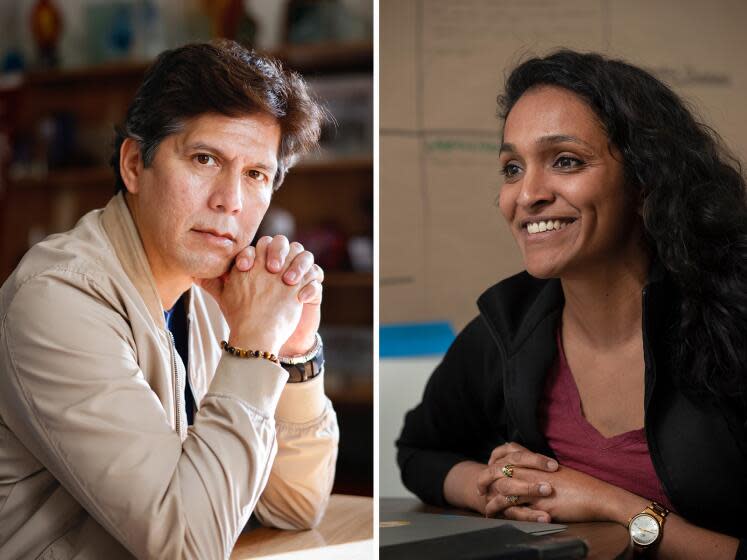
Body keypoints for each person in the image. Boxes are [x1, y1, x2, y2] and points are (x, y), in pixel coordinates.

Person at [397, 50, 747, 559]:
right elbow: (419, 452)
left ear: (646, 179)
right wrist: (493, 485)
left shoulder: (732, 323)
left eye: (566, 161)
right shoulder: (507, 327)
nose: (528, 194)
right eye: (512, 168)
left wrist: (615, 506)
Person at [0, 40, 339, 559]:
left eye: (256, 175)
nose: (231, 201)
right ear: (135, 165)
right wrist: (252, 344)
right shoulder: (56, 299)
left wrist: (292, 350)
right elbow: (188, 545)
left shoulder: (211, 293)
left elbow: (294, 506)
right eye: (205, 159)